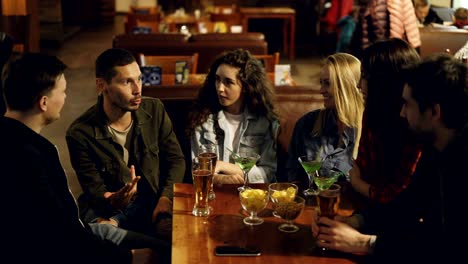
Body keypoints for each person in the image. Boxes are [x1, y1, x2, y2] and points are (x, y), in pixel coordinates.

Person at [311, 53, 467, 262]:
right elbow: (407, 206)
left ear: (434, 112)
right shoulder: (434, 147)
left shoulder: (461, 164)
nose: (402, 113)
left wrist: (364, 243)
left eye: (407, 104)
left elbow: (448, 247)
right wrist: (356, 222)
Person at [0, 53, 132, 263]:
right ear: (43, 102)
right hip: (65, 248)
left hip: (77, 233)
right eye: (63, 91)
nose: (65, 97)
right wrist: (128, 257)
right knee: (161, 253)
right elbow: (62, 236)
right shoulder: (33, 158)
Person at [66, 48, 185, 246]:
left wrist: (166, 198)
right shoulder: (80, 133)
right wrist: (112, 200)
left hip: (153, 203)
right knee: (97, 233)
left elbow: (176, 160)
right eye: (126, 82)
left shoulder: (154, 109)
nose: (137, 89)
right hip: (110, 211)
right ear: (101, 85)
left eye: (139, 79)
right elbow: (94, 191)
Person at [187, 48, 279, 184]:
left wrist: (224, 166)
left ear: (246, 87)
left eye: (228, 82)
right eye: (217, 80)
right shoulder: (203, 118)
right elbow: (197, 169)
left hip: (253, 196)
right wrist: (223, 179)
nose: (219, 88)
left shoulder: (264, 121)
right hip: (213, 194)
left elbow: (267, 173)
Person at [350, 38, 422, 204]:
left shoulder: (416, 124)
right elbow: (361, 165)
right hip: (369, 206)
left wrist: (358, 184)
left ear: (383, 82)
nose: (359, 85)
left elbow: (400, 195)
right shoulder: (374, 110)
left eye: (365, 77)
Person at [286, 53, 365, 191]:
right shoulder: (306, 124)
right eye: (321, 82)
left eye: (327, 83)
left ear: (346, 86)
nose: (321, 90)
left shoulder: (369, 129)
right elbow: (293, 176)